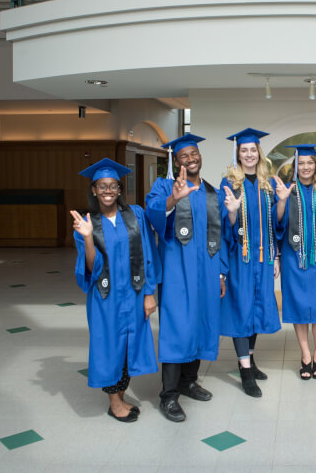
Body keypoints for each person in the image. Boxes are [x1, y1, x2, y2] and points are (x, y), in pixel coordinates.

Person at [145, 133, 230, 423]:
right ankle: (168, 395)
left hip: (206, 271)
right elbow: (152, 215)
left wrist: (220, 272)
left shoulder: (212, 192)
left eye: (194, 154)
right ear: (175, 160)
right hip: (176, 271)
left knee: (201, 321)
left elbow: (220, 236)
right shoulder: (163, 186)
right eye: (185, 156)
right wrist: (174, 198)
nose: (191, 159)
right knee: (177, 325)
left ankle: (188, 381)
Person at [70, 158, 161, 423]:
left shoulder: (135, 215)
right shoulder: (86, 223)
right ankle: (114, 403)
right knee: (109, 346)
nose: (107, 191)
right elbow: (91, 267)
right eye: (102, 186)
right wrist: (87, 237)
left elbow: (148, 255)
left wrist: (148, 293)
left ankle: (120, 396)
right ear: (94, 190)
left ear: (120, 189)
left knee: (128, 344)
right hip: (105, 298)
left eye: (113, 186)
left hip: (133, 294)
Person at [220, 128, 281, 398]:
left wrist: (276, 255)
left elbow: (276, 223)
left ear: (259, 153)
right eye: (243, 150)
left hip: (264, 258)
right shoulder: (230, 182)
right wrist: (232, 212)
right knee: (241, 309)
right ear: (238, 153)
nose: (248, 154)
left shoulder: (267, 184)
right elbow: (226, 225)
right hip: (240, 259)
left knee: (257, 308)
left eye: (252, 150)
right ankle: (245, 372)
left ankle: (250, 360)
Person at [274, 144, 316, 380]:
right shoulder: (286, 190)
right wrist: (280, 202)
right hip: (293, 257)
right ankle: (305, 356)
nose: (306, 167)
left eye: (310, 162)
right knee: (300, 309)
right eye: (301, 163)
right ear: (295, 166)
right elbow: (277, 224)